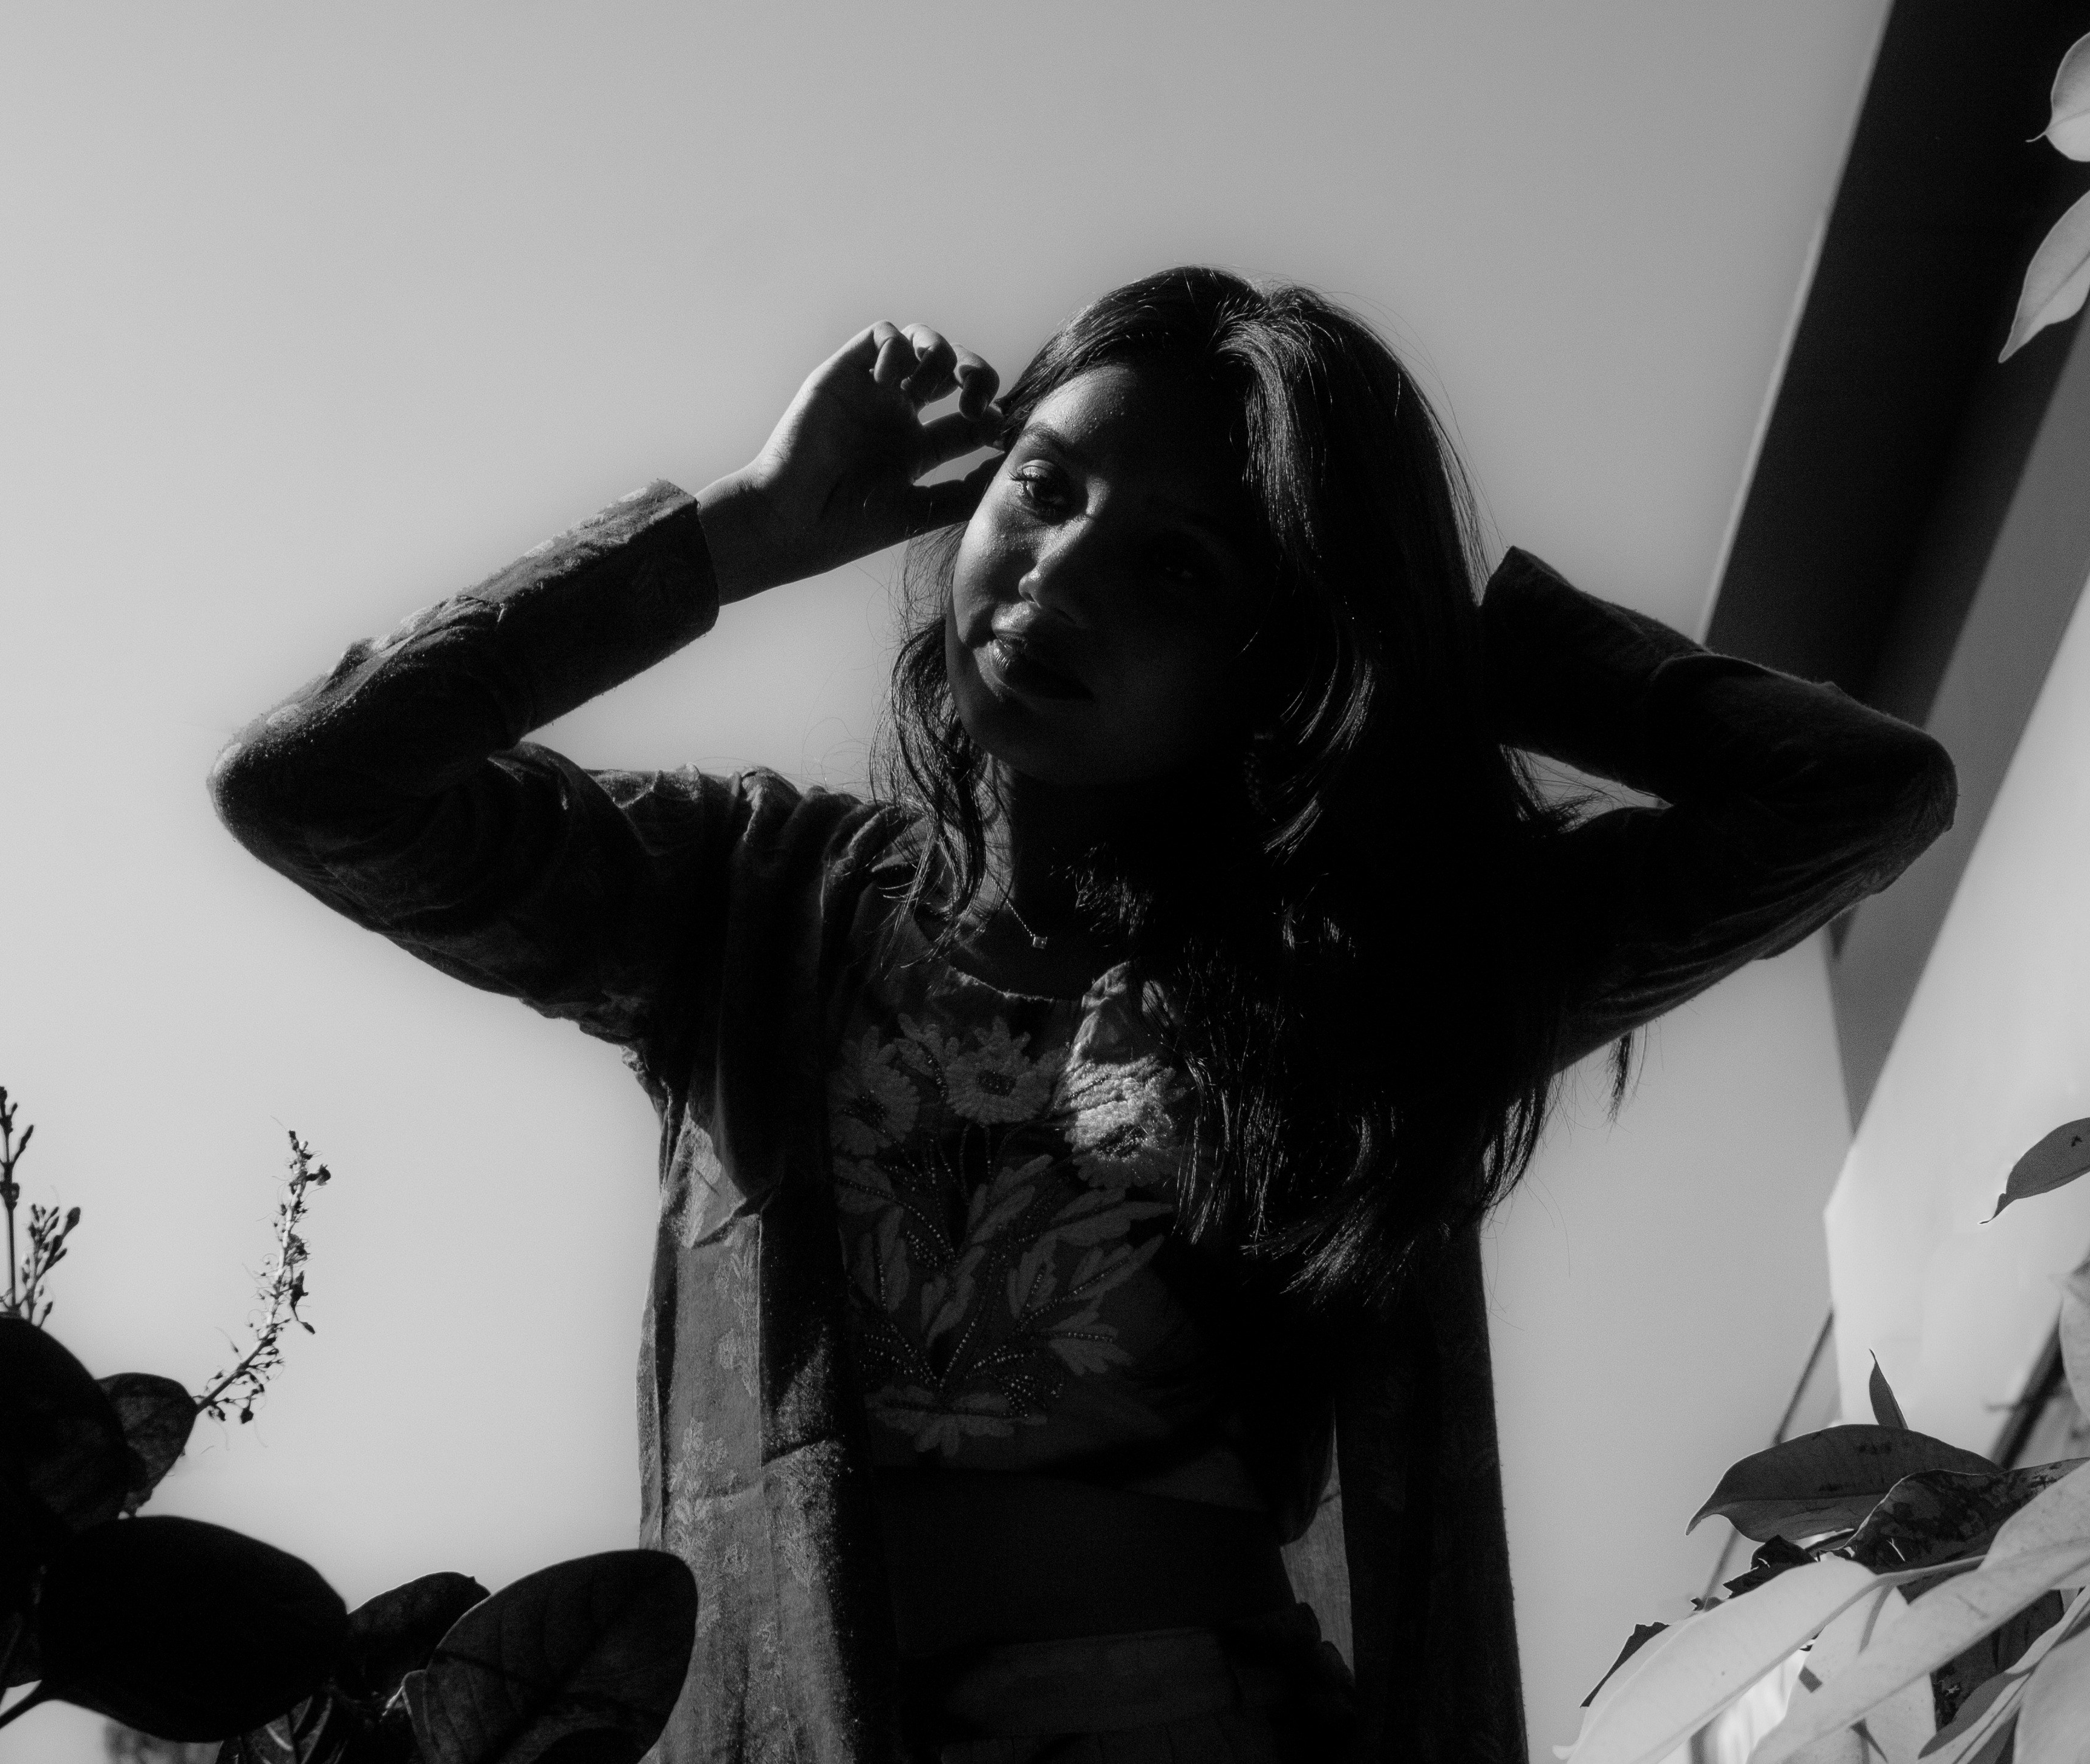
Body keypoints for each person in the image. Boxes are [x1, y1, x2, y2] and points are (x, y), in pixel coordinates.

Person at [209, 267, 1955, 1764]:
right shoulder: (739, 904)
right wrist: (733, 532)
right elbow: (318, 789)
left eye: (1182, 570)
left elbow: (1853, 798)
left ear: (1282, 652)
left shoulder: (1363, 980)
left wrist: (1468, 639)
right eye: (1042, 488)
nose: (1062, 573)